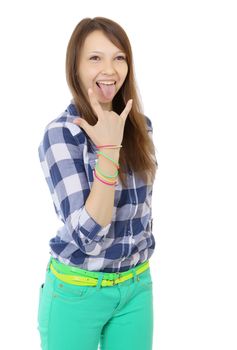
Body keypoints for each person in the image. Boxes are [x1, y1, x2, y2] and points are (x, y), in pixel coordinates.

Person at [37, 16, 158, 350]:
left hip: (136, 287)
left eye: (119, 57)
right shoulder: (61, 134)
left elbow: (141, 214)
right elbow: (88, 236)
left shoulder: (140, 128)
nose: (110, 69)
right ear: (75, 67)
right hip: (78, 291)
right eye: (95, 58)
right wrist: (108, 150)